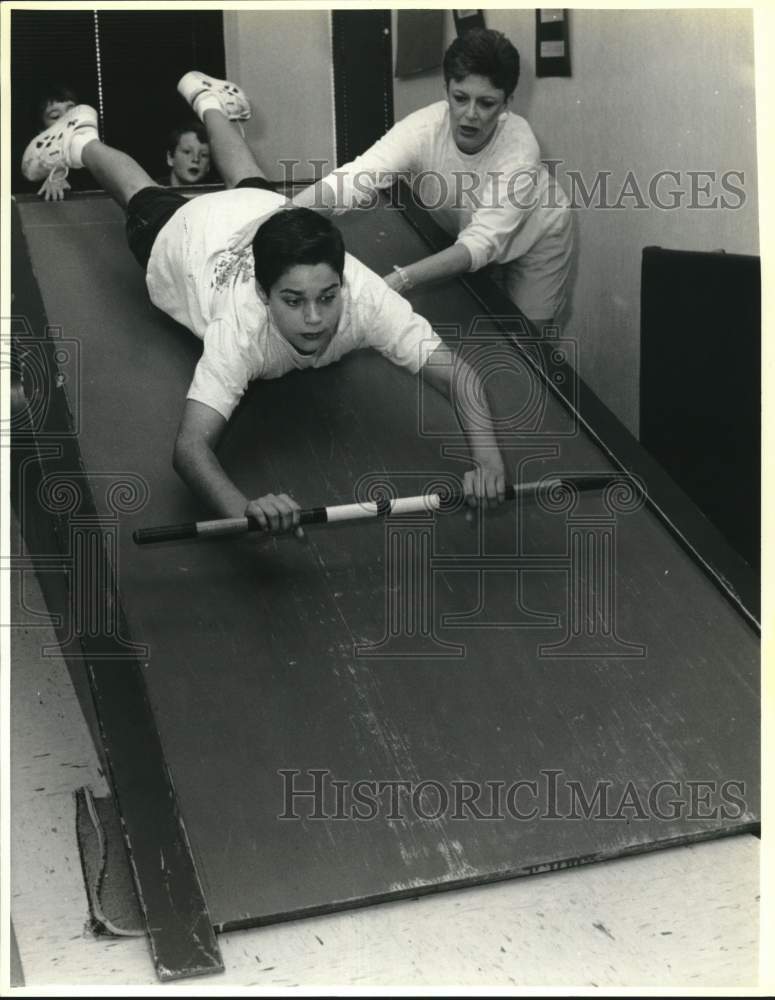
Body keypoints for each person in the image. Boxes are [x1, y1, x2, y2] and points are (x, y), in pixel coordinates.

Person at [21, 71, 507, 535]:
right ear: (263, 292)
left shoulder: (366, 298)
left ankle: (207, 98)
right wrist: (245, 509)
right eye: (293, 301)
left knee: (254, 186)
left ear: (342, 281)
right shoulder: (241, 328)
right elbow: (190, 449)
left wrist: (487, 462)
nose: (315, 318)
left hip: (265, 215)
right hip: (192, 237)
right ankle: (79, 138)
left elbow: (459, 376)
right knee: (141, 193)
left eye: (327, 297)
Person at [294, 28, 573, 331]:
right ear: (446, 90)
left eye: (487, 103)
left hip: (538, 236)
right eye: (461, 97)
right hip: (472, 228)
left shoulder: (519, 149)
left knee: (530, 343)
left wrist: (402, 278)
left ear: (506, 104)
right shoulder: (423, 128)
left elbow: (481, 244)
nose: (470, 114)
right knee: (481, 326)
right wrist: (280, 215)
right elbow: (354, 178)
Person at [29, 85, 78, 201]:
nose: (67, 118)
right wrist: (55, 174)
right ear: (42, 131)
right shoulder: (37, 163)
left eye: (72, 111)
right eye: (55, 116)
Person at [165, 121, 213, 187]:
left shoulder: (218, 194)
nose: (196, 159)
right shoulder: (153, 193)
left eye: (203, 155)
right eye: (187, 152)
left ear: (208, 165)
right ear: (170, 158)